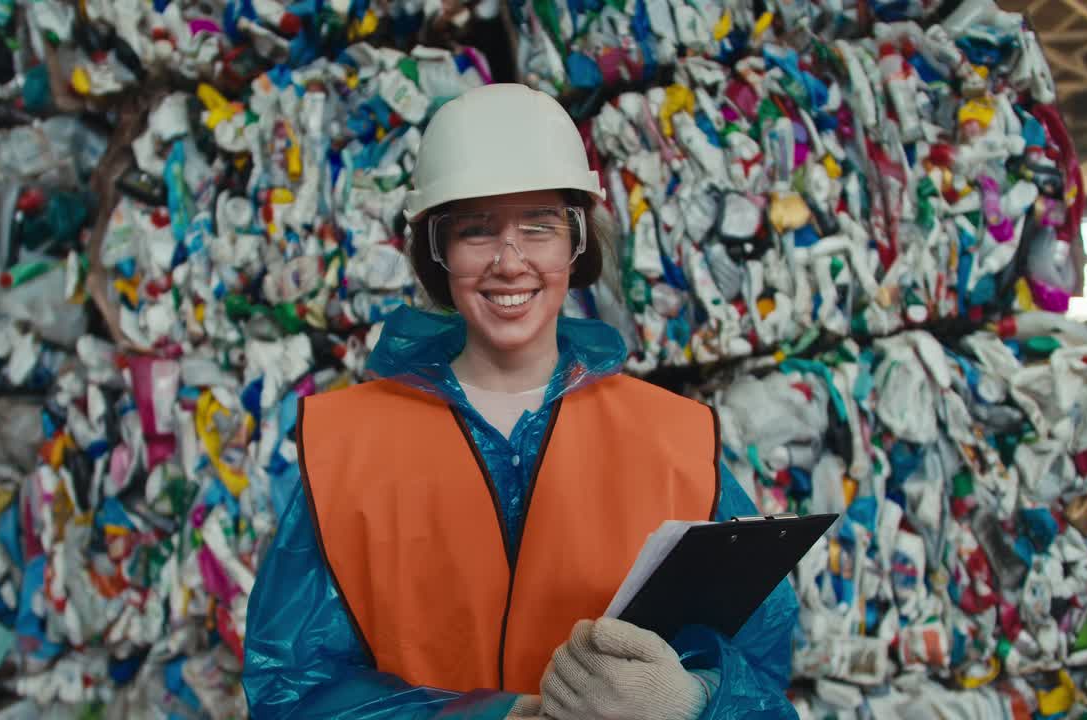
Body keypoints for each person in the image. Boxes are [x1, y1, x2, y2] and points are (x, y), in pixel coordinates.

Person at [242, 83, 798, 720]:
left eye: (539, 226)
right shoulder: (347, 447)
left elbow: (761, 668)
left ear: (575, 243)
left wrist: (695, 700)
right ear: (437, 253)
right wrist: (499, 716)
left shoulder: (674, 439)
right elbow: (293, 693)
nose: (510, 262)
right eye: (476, 232)